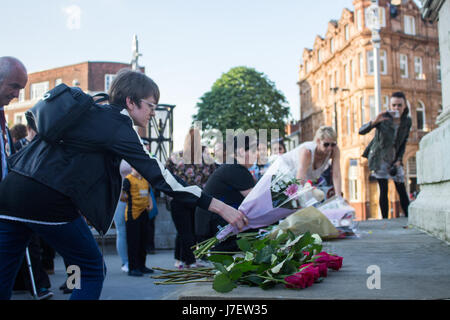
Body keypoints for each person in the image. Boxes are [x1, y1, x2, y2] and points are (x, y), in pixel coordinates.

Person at [0, 68, 248, 300]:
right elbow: (160, 175)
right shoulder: (118, 124)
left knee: (4, 267)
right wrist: (219, 206)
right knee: (91, 267)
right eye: (151, 105)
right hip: (47, 197)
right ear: (131, 102)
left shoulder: (90, 112)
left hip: (11, 190)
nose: (153, 113)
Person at [195, 134, 256, 252]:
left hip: (209, 226)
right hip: (216, 229)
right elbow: (255, 200)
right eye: (254, 151)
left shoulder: (232, 166)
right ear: (242, 151)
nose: (257, 155)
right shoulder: (236, 169)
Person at [166, 128, 217, 268]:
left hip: (178, 198)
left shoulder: (175, 156)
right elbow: (213, 177)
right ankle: (190, 260)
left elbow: (165, 176)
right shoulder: (207, 158)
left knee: (183, 231)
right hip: (197, 198)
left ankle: (187, 260)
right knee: (193, 231)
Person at [359, 91, 412, 219]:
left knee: (401, 188)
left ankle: (410, 218)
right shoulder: (383, 119)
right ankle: (385, 220)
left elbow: (403, 142)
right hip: (380, 158)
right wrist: (375, 121)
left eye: (399, 105)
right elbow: (361, 131)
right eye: (393, 105)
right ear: (390, 105)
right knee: (383, 189)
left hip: (394, 158)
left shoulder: (407, 121)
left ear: (405, 106)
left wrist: (399, 159)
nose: (396, 108)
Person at [282, 126, 342, 198]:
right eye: (326, 144)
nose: (329, 148)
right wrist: (296, 198)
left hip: (296, 180)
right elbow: (300, 178)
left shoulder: (334, 150)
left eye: (333, 144)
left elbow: (336, 174)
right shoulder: (307, 151)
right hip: (284, 172)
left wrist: (338, 197)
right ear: (318, 141)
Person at [122, 167, 154, 277]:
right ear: (131, 167)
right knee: (133, 242)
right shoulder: (128, 180)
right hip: (133, 214)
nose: (138, 169)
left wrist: (151, 203)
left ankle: (142, 265)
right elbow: (122, 196)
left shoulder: (145, 180)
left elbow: (148, 193)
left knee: (143, 240)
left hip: (144, 213)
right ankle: (133, 268)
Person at [113, 160, 132, 273]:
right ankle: (125, 261)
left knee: (136, 231)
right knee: (122, 231)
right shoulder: (114, 154)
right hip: (120, 198)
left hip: (137, 197)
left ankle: (136, 261)